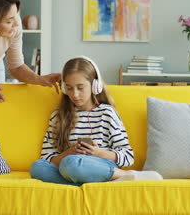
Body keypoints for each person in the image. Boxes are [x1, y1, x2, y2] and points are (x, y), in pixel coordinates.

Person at [29, 56, 163, 186]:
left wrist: (98, 153)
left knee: (71, 164)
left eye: (80, 88)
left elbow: (127, 156)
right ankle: (104, 181)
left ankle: (121, 174)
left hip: (99, 164)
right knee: (38, 167)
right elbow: (47, 158)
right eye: (69, 88)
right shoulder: (58, 116)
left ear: (95, 86)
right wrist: (69, 152)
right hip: (69, 167)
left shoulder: (107, 113)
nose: (74, 94)